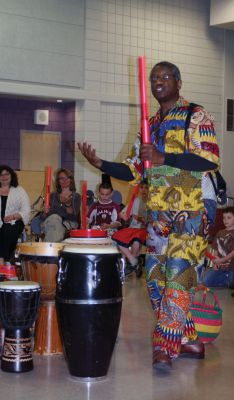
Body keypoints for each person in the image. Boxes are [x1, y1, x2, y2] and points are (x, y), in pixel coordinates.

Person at [78, 61, 219, 371]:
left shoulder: (196, 114)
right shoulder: (150, 124)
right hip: (158, 213)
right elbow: (132, 170)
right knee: (154, 281)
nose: (158, 81)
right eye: (154, 77)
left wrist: (162, 156)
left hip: (194, 208)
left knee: (177, 278)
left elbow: (209, 160)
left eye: (165, 76)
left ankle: (165, 347)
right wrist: (100, 163)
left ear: (179, 83)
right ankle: (190, 339)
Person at [112, 179, 148, 275]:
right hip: (132, 229)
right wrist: (124, 215)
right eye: (141, 187)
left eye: (146, 188)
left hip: (144, 229)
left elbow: (152, 221)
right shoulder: (135, 200)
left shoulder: (152, 202)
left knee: (136, 241)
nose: (143, 190)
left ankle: (133, 263)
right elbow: (123, 213)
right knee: (116, 236)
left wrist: (142, 220)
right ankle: (133, 261)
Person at [40, 168, 81, 242]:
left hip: (68, 224)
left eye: (67, 178)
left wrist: (68, 205)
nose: (64, 180)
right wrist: (45, 212)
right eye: (61, 178)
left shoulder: (76, 196)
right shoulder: (52, 195)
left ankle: (50, 248)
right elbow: (43, 217)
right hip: (52, 222)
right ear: (58, 181)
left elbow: (73, 217)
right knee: (54, 219)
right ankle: (54, 248)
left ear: (71, 180)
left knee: (54, 222)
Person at [203, 207, 234, 288]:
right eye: (224, 218)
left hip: (231, 268)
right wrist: (215, 262)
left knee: (231, 282)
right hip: (220, 267)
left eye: (229, 218)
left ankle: (228, 282)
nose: (225, 220)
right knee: (206, 282)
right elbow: (216, 249)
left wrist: (222, 260)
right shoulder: (220, 232)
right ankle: (227, 282)